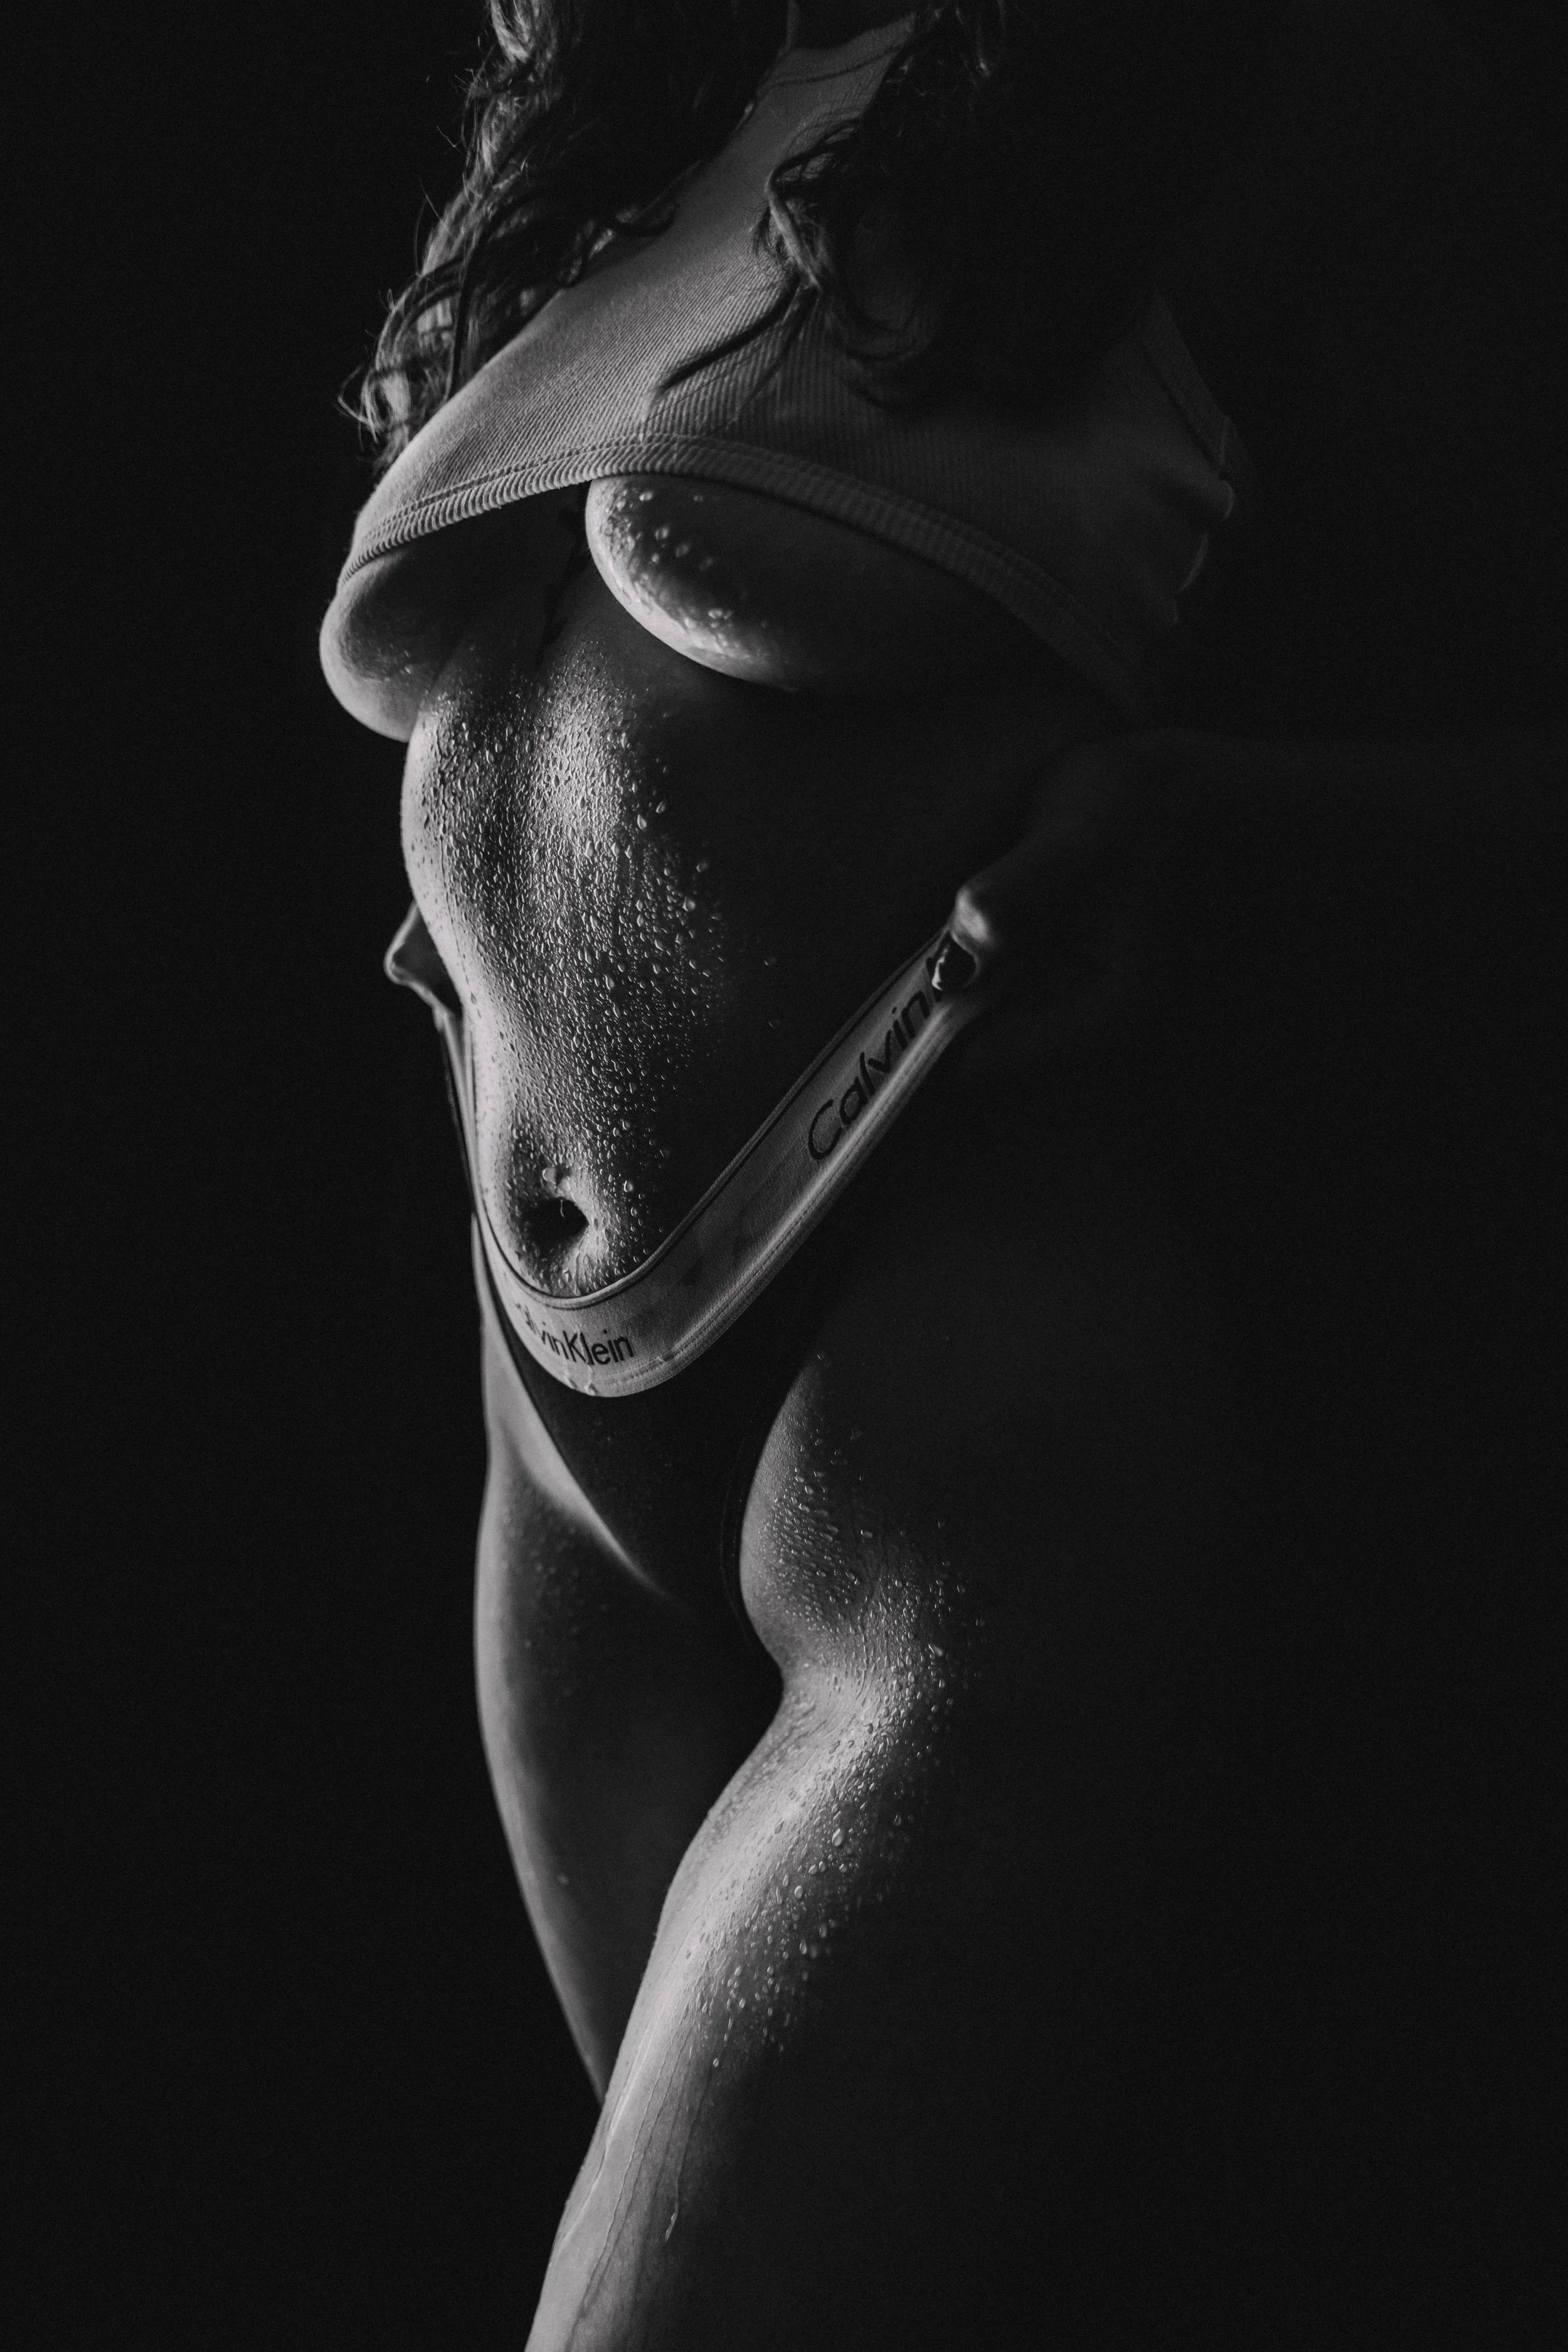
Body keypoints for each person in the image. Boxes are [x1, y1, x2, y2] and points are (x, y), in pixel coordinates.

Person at [322, 1, 1565, 2338]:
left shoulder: (1291, 101)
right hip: (564, 1459)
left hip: (932, 1396)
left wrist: (1238, 846)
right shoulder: (670, 94)